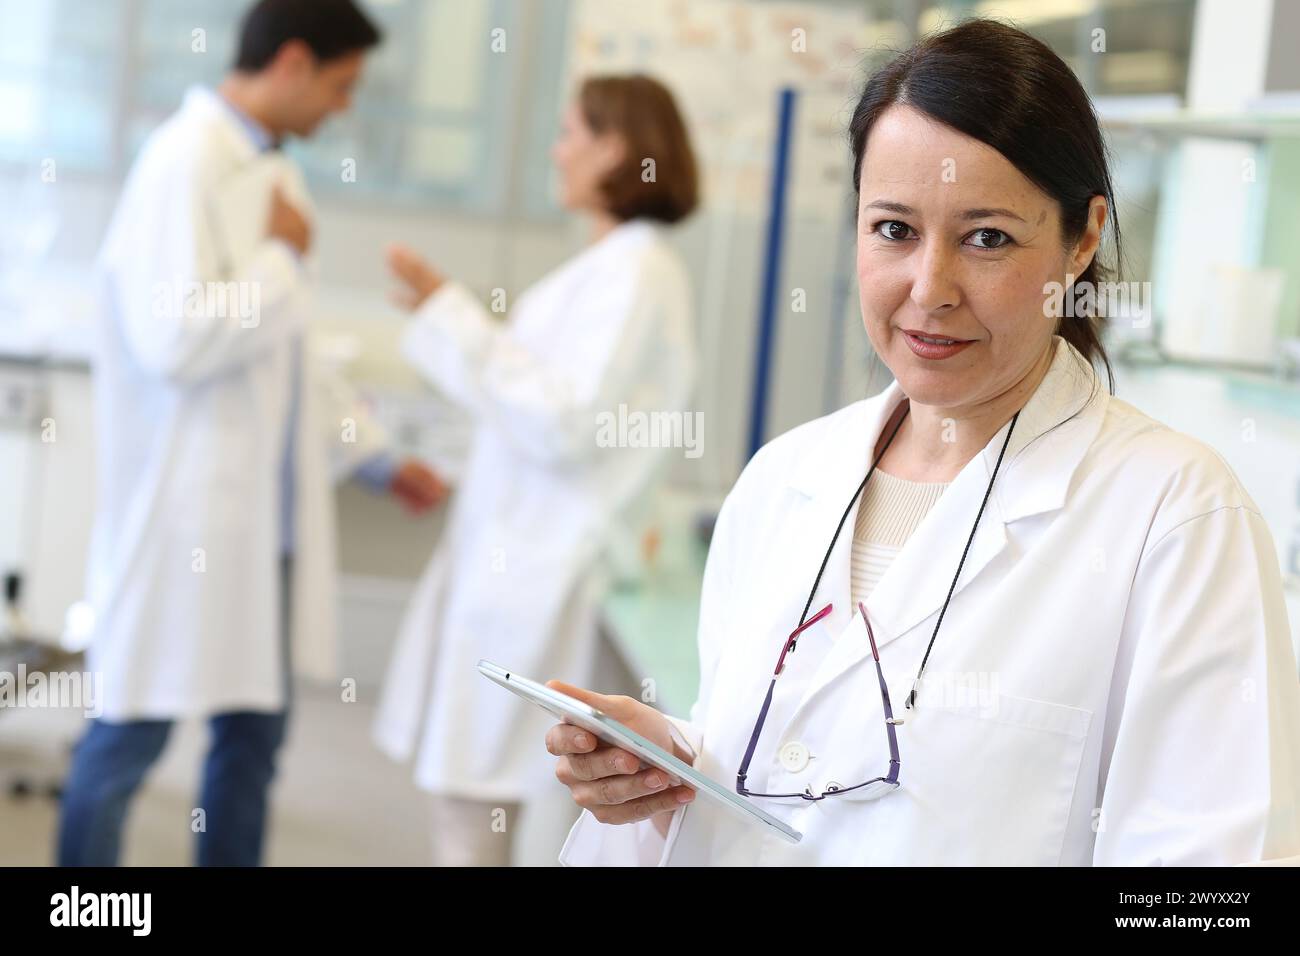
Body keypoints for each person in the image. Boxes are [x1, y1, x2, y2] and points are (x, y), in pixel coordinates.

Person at [544, 19, 1300, 866]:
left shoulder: (1177, 518)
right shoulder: (785, 479)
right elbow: (819, 772)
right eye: (895, 230)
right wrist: (678, 769)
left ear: (1083, 238)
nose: (929, 290)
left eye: (988, 239)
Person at [60, 0, 445, 867]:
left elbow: (294, 361)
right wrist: (280, 263)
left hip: (262, 529)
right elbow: (175, 340)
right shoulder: (183, 161)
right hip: (183, 518)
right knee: (128, 738)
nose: (343, 108)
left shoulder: (276, 173)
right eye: (341, 86)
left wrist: (379, 461)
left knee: (251, 742)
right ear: (294, 62)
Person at [373, 75, 700, 866]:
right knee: (473, 794)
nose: (556, 151)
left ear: (617, 147)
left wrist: (450, 312)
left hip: (542, 571)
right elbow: (538, 408)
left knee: (489, 799)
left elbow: (563, 421)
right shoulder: (611, 268)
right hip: (520, 560)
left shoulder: (636, 270)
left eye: (569, 132)